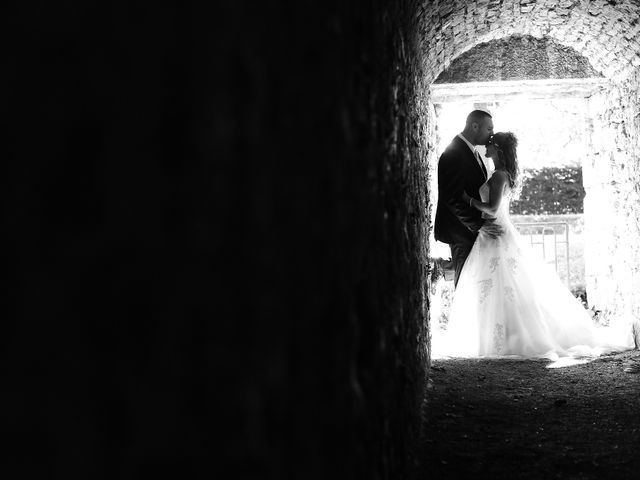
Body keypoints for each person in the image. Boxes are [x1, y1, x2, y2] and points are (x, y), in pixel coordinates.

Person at [435, 132, 633, 360]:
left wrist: (467, 199)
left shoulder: (499, 175)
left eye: (490, 145)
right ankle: (501, 337)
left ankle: (511, 338)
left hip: (495, 233)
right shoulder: (497, 173)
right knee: (494, 287)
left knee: (505, 285)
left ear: (499, 150)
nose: (485, 147)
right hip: (490, 233)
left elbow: (491, 208)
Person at [434, 109, 503, 287]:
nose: (492, 134)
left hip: (470, 232)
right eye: (489, 129)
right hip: (461, 233)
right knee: (465, 286)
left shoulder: (473, 153)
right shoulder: (454, 153)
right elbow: (452, 198)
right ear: (474, 126)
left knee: (476, 286)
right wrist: (480, 227)